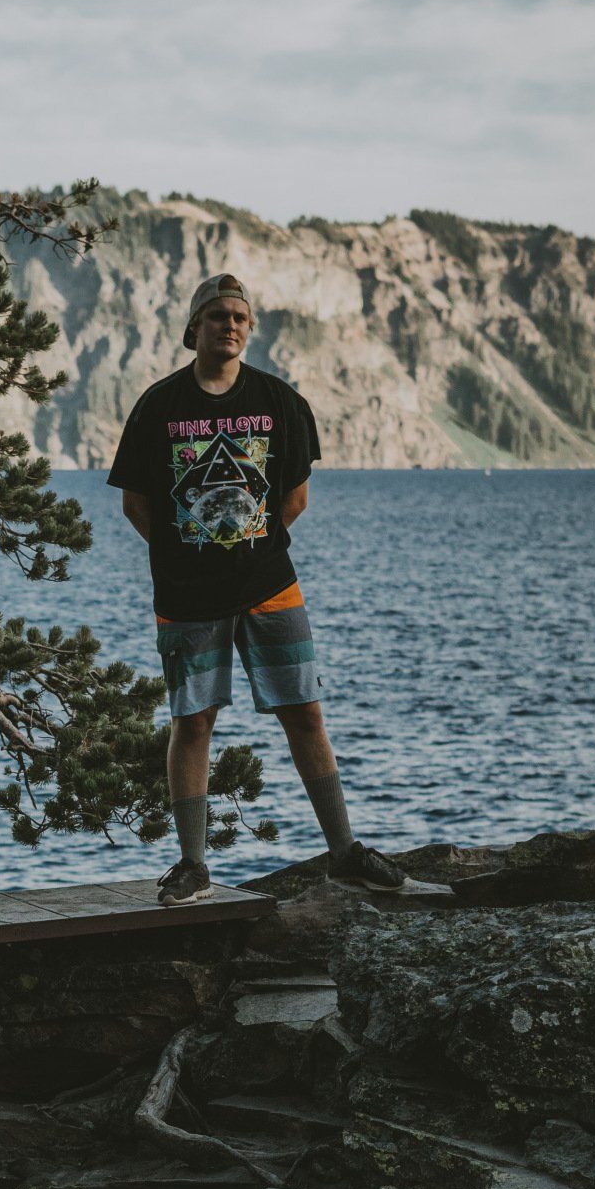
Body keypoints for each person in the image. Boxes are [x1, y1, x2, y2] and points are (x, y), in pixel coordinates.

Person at [108, 272, 408, 905]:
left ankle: (345, 852)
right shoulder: (158, 406)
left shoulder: (280, 401)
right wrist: (191, 557)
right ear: (194, 327)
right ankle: (193, 866)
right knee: (193, 721)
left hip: (271, 586)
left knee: (305, 712)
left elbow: (295, 498)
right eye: (218, 315)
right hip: (187, 597)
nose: (230, 325)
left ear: (249, 328)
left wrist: (245, 549)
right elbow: (137, 504)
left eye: (240, 317)